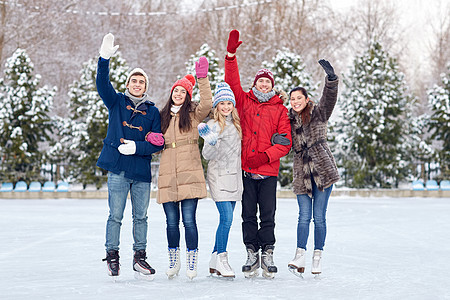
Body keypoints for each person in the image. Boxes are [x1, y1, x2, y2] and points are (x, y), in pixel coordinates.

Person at [224, 29, 292, 279]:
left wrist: (264, 157)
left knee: (268, 215)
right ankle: (251, 251)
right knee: (248, 214)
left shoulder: (281, 110)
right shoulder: (244, 101)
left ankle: (268, 252)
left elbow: (284, 143)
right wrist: (230, 56)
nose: (264, 84)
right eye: (261, 80)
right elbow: (232, 83)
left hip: (267, 171)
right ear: (255, 83)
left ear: (273, 86)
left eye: (268, 81)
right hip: (246, 172)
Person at [96, 33, 164, 280]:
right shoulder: (116, 103)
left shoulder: (153, 112)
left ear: (146, 87)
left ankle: (139, 257)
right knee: (115, 216)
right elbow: (102, 84)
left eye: (141, 82)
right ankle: (112, 256)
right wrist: (104, 59)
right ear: (127, 85)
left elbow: (157, 143)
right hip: (118, 170)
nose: (137, 84)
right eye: (134, 81)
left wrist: (137, 147)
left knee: (141, 217)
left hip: (141, 173)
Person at [156, 56, 212, 280]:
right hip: (168, 176)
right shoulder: (162, 117)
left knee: (189, 220)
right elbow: (152, 139)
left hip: (190, 173)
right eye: (175, 91)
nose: (178, 94)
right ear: (171, 94)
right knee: (171, 222)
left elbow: (207, 103)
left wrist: (202, 79)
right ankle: (174, 260)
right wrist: (151, 138)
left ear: (188, 95)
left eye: (182, 92)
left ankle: (191, 260)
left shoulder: (193, 114)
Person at [287, 59, 340, 277]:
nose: (295, 101)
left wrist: (331, 80)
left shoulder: (319, 113)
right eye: (292, 99)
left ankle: (317, 257)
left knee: (319, 217)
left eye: (299, 98)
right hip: (301, 173)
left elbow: (329, 99)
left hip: (322, 171)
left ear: (306, 99)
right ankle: (299, 255)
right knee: (303, 216)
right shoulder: (287, 119)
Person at [198, 82, 243, 278]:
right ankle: (222, 259)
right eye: (222, 104)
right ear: (216, 106)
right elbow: (207, 155)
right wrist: (211, 141)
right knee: (226, 219)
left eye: (229, 103)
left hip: (234, 177)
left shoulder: (237, 124)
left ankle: (214, 258)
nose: (226, 107)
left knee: (227, 220)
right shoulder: (212, 126)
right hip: (218, 176)